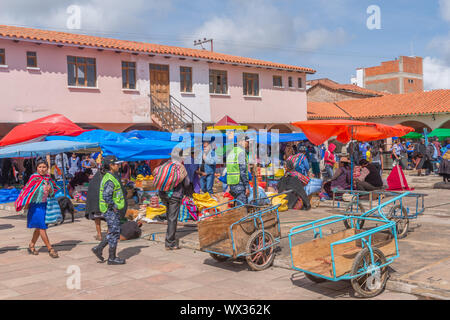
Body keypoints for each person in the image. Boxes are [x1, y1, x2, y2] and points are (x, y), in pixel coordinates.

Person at [14, 158, 59, 258]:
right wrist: (24, 203)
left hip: (45, 205)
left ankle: (31, 245)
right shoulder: (34, 178)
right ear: (37, 168)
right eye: (40, 167)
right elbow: (27, 191)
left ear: (47, 168)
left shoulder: (48, 178)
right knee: (42, 227)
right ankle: (50, 249)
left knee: (39, 228)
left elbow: (52, 193)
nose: (42, 169)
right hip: (35, 206)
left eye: (44, 167)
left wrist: (50, 189)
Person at [91, 156, 127, 265]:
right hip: (110, 210)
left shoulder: (111, 176)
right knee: (115, 232)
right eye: (117, 164)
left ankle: (99, 248)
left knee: (113, 232)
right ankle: (111, 258)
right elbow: (107, 196)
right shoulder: (110, 179)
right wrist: (114, 207)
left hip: (111, 210)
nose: (119, 166)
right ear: (111, 166)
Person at [158, 156, 191, 250]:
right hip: (175, 195)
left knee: (169, 216)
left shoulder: (164, 164)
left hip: (163, 194)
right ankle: (170, 243)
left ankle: (169, 235)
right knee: (173, 218)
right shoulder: (180, 167)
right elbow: (187, 182)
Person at [226, 138, 250, 205]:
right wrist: (247, 187)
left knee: (237, 206)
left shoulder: (232, 151)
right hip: (239, 184)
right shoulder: (241, 152)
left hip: (232, 183)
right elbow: (243, 172)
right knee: (242, 208)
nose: (248, 144)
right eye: (247, 142)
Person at [86, 168, 104, 241]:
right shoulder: (105, 181)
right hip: (104, 206)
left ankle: (99, 235)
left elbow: (90, 195)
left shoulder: (92, 182)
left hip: (95, 206)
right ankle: (109, 234)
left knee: (97, 221)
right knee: (109, 220)